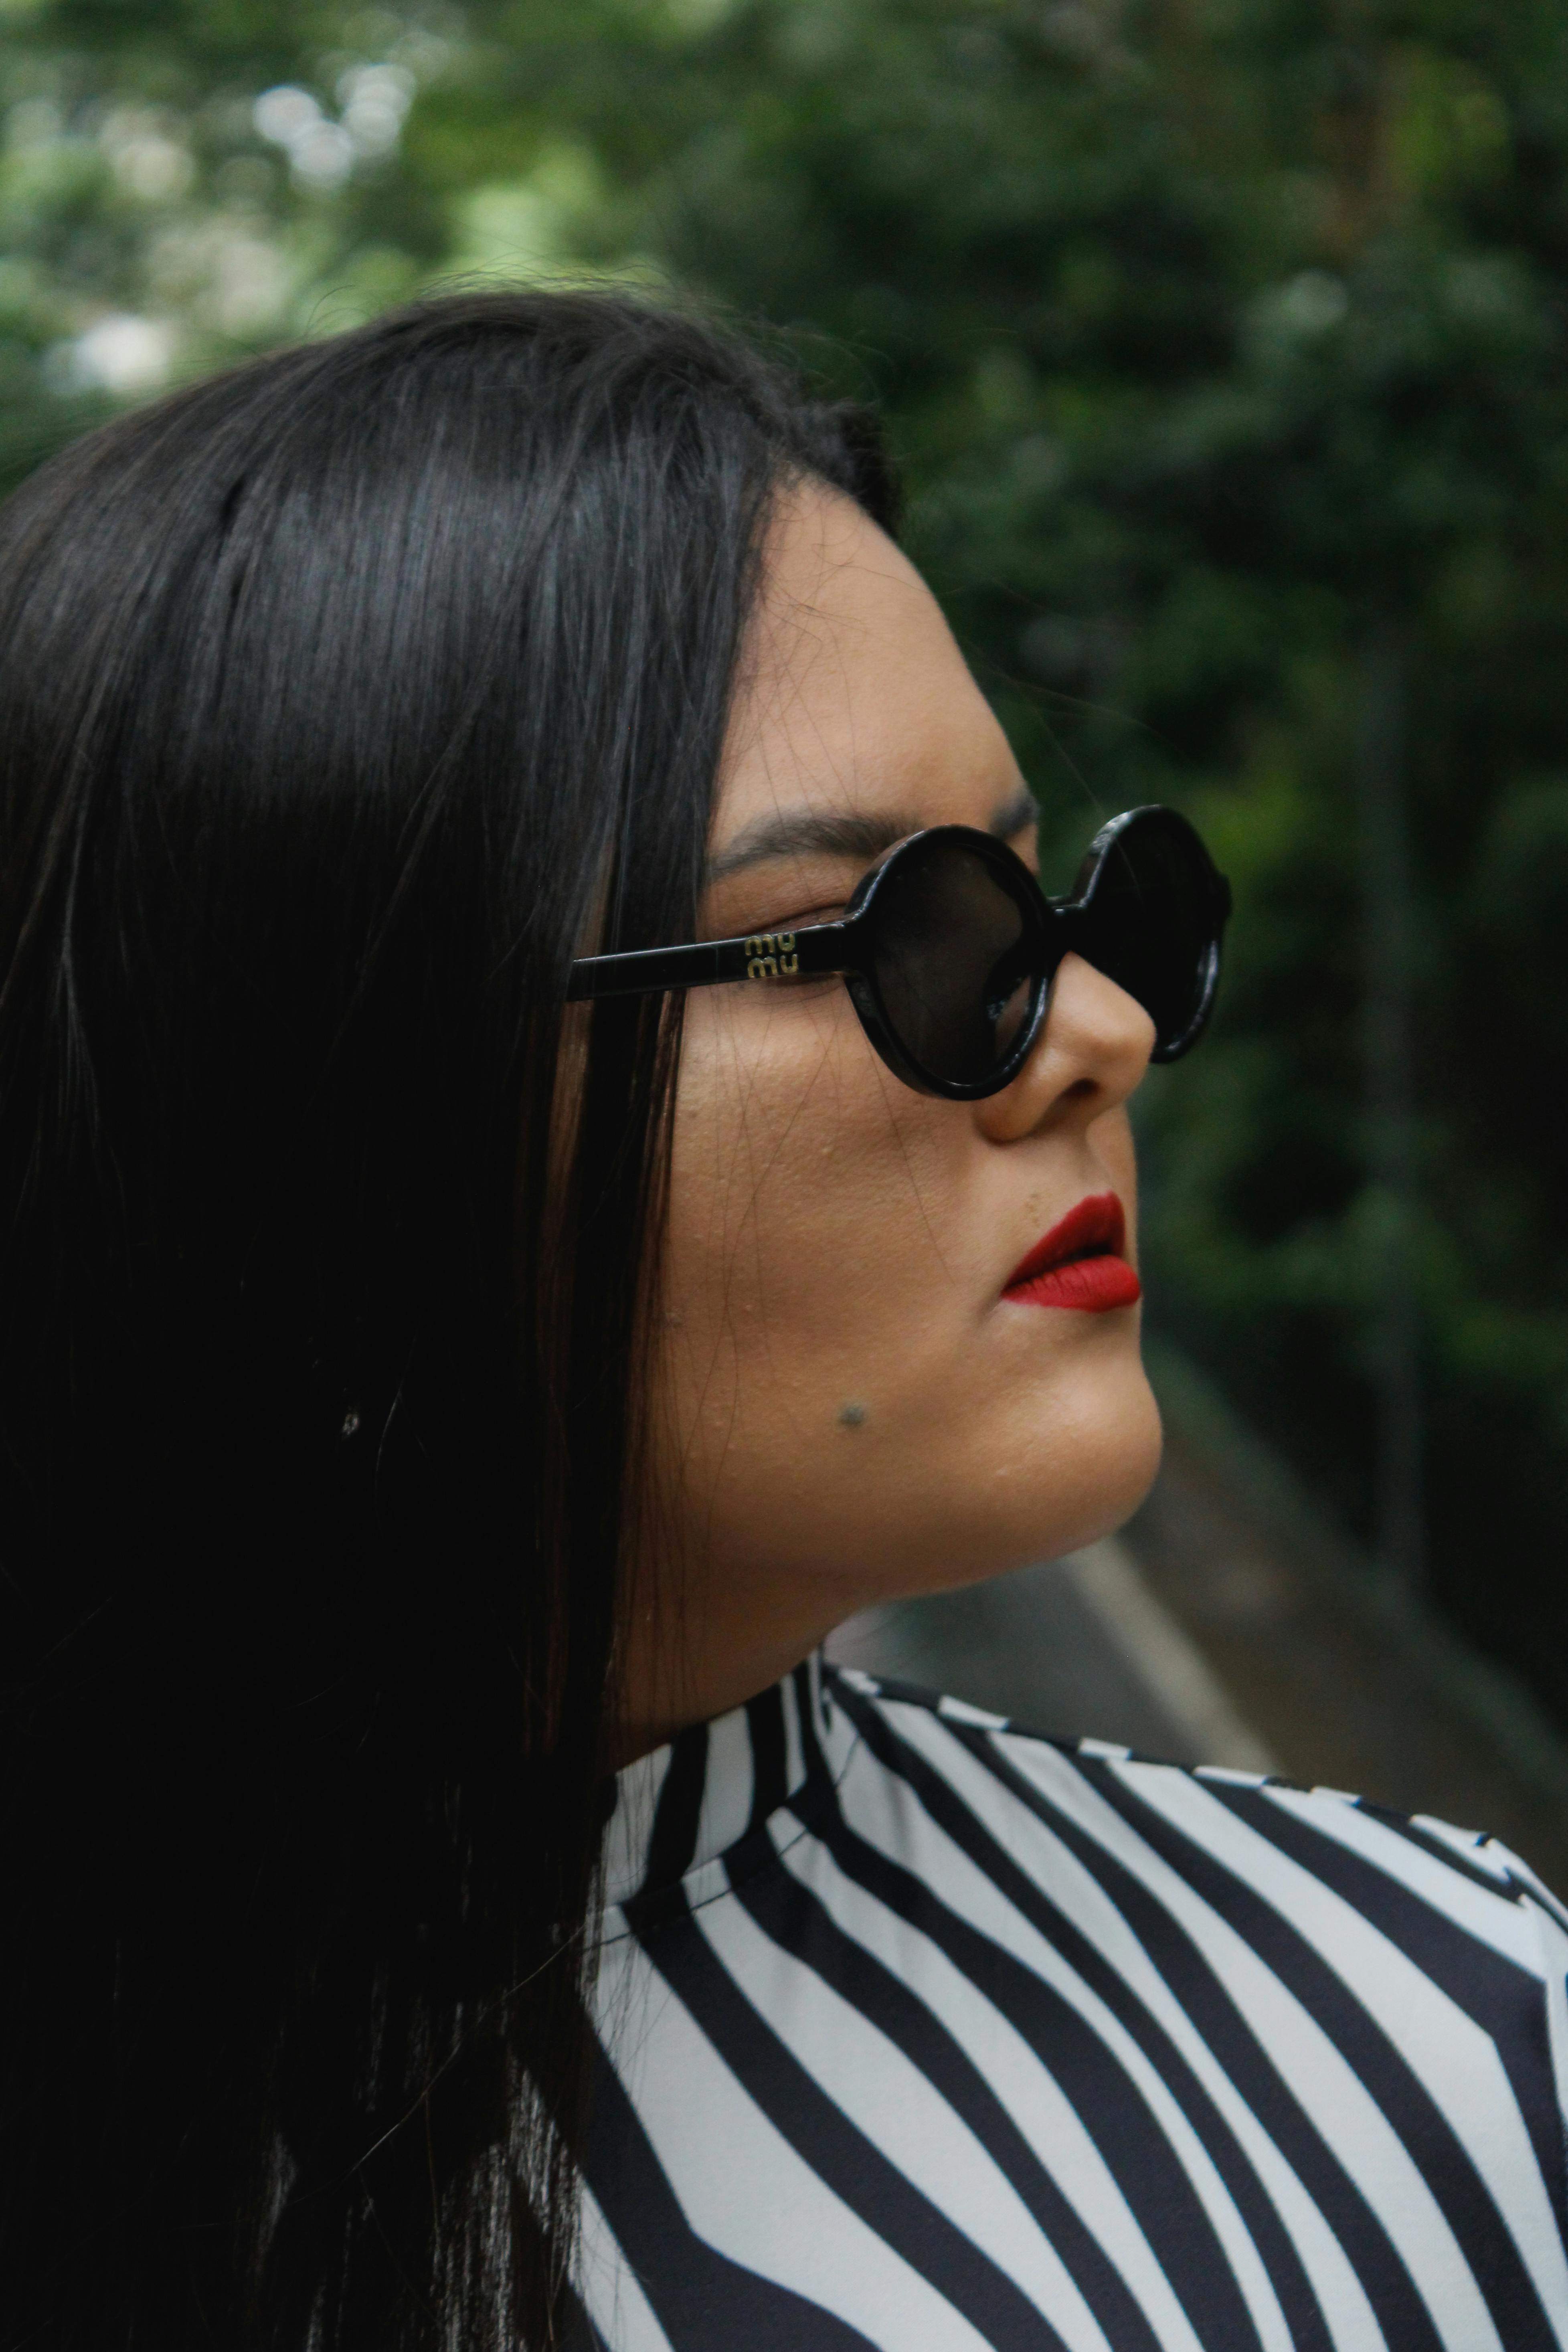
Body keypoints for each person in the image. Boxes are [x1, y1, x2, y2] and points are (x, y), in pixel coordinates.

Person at [0, 292, 1562, 2352]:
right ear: (322, 1118)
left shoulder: (1434, 2041)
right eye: (907, 942)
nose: (1096, 1031)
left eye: (1055, 903)